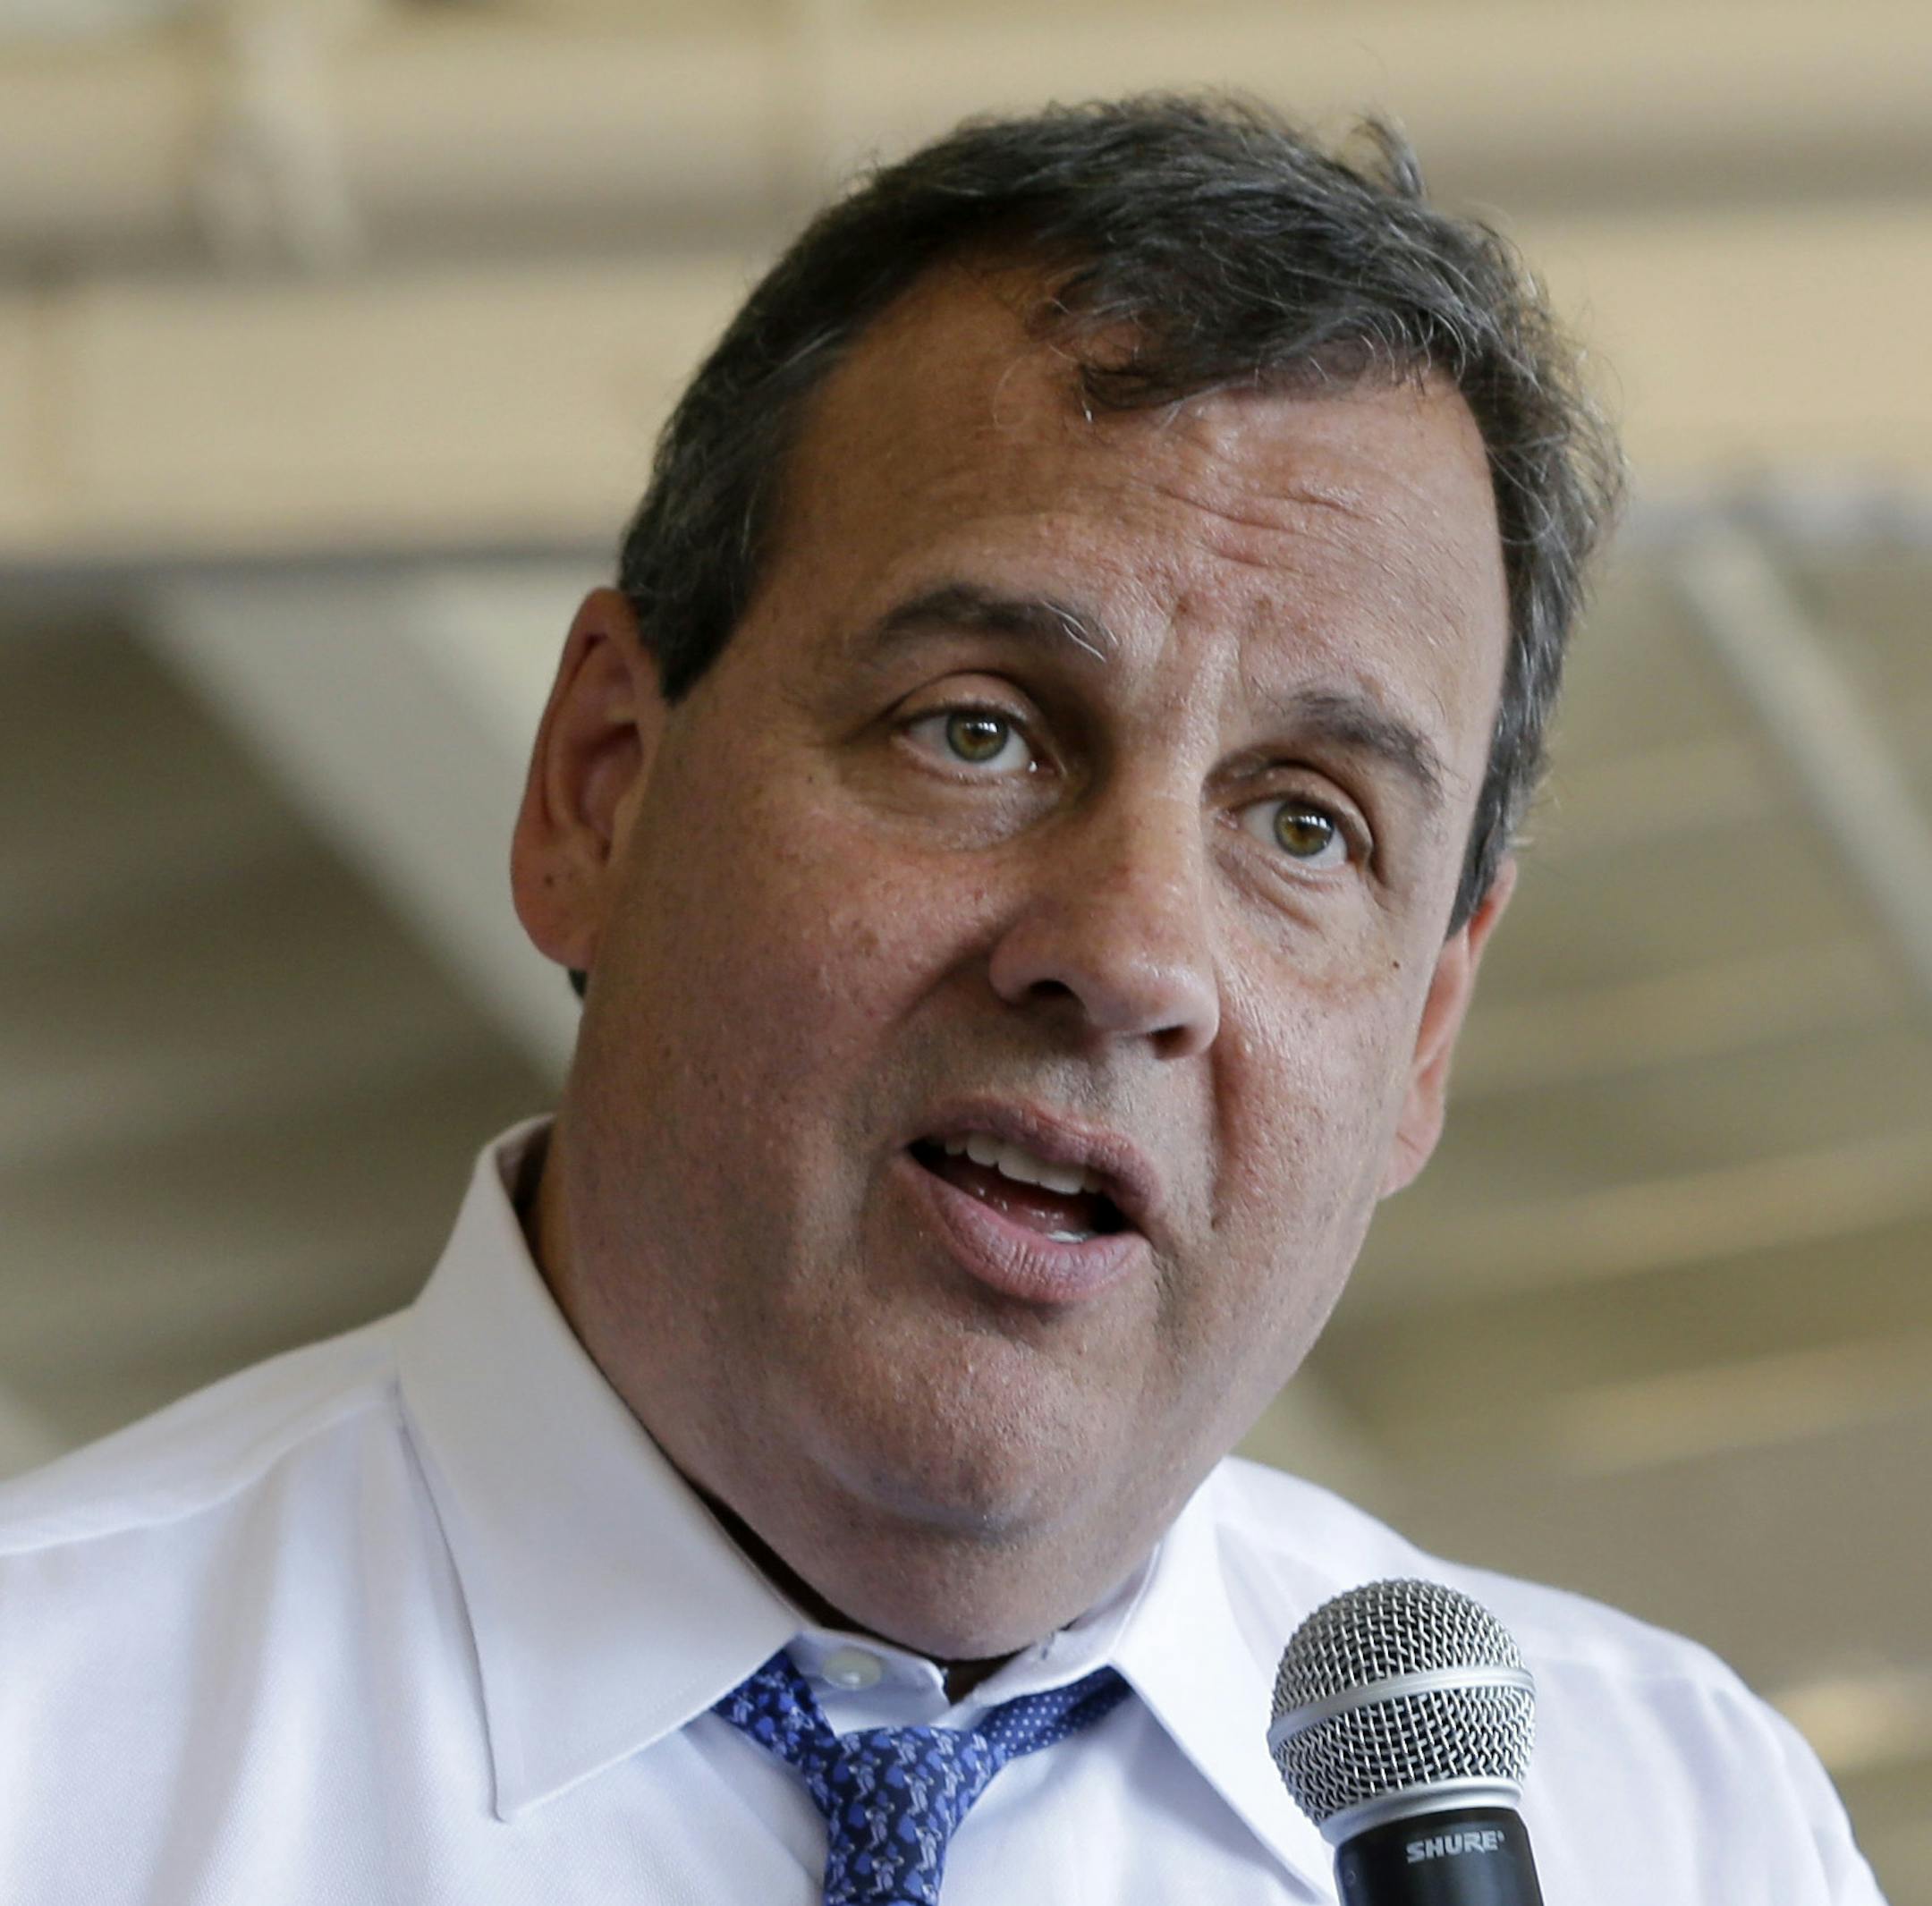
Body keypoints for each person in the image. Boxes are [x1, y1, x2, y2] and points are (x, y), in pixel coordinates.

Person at [0, 95, 1885, 1904]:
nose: (1133, 951)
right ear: (599, 783)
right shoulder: (47, 1744)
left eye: (1308, 827)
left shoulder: (1683, 1838)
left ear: (1428, 1042)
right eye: (978, 728)